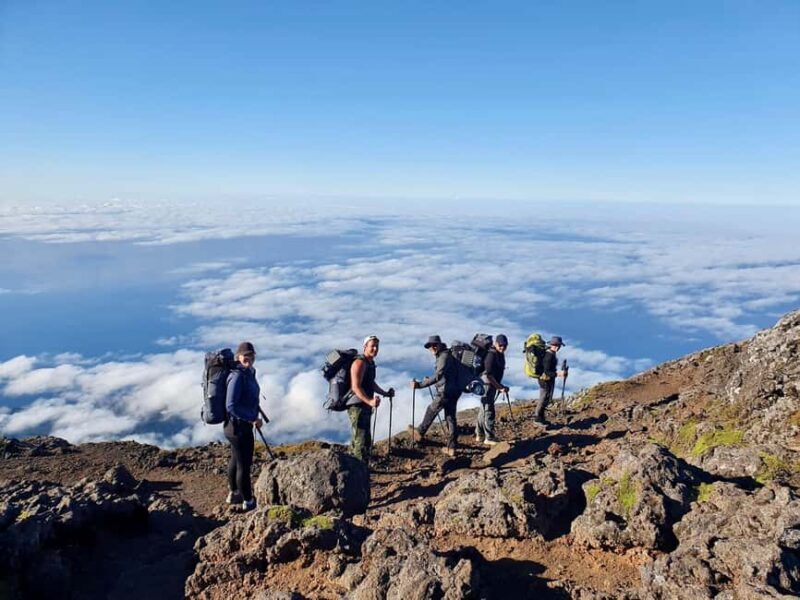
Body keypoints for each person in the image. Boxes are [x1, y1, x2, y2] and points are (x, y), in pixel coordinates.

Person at [225, 341, 263, 511]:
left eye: (251, 356)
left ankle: (233, 493)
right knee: (244, 465)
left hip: (235, 426)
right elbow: (230, 405)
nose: (249, 359)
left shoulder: (248, 372)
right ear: (238, 357)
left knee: (236, 459)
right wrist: (252, 418)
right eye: (245, 356)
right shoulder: (238, 376)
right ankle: (248, 501)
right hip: (238, 427)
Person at [410, 335, 462, 457]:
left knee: (432, 409)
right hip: (454, 390)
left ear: (439, 344)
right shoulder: (446, 355)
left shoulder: (443, 356)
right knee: (450, 417)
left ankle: (419, 432)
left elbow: (439, 374)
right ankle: (451, 447)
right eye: (429, 346)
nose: (432, 348)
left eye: (434, 345)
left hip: (446, 391)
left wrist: (420, 384)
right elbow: (444, 375)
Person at [346, 335, 394, 463]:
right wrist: (370, 401)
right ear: (365, 347)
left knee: (365, 437)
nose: (375, 348)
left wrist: (385, 393)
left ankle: (361, 466)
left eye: (377, 346)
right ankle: (359, 470)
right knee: (360, 438)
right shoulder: (359, 363)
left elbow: (370, 383)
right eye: (372, 346)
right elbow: (355, 387)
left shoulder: (370, 363)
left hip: (364, 405)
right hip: (357, 406)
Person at [475, 334, 509, 446]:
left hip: (490, 385)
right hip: (487, 385)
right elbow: (488, 374)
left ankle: (479, 434)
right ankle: (488, 437)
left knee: (483, 409)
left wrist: (500, 386)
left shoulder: (499, 355)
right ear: (495, 343)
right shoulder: (491, 355)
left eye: (504, 345)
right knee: (489, 410)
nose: (502, 347)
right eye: (500, 345)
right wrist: (499, 387)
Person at [534, 336, 566, 425]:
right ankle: (537, 418)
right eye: (556, 345)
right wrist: (558, 374)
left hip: (545, 379)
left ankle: (541, 418)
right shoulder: (548, 356)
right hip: (544, 379)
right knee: (544, 397)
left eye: (558, 345)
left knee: (546, 397)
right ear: (552, 344)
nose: (557, 347)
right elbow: (547, 371)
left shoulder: (550, 353)